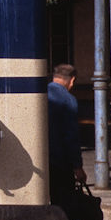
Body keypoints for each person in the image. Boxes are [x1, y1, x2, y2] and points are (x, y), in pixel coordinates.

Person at [47, 63, 85, 207]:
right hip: (60, 162)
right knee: (63, 204)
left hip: (40, 160)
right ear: (72, 80)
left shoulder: (39, 94)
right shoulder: (68, 100)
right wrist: (78, 167)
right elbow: (71, 137)